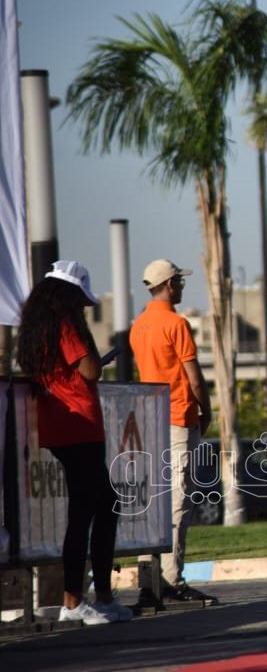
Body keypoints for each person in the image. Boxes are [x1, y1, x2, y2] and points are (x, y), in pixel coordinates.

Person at [17, 260, 132, 624]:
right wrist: (96, 351)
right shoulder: (65, 326)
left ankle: (95, 596)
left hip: (60, 426)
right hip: (80, 424)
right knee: (90, 508)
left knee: (96, 504)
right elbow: (90, 370)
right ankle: (77, 600)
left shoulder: (39, 328)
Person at [129, 258, 216, 605]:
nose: (181, 286)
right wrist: (206, 409)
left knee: (151, 501)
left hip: (150, 418)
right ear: (168, 285)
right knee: (179, 499)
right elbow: (192, 375)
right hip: (179, 415)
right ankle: (171, 579)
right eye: (179, 281)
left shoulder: (138, 326)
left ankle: (148, 581)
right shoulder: (176, 323)